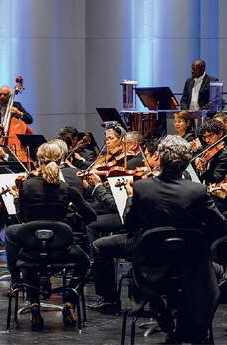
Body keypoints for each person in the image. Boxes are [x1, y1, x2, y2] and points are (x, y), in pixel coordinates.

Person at [90, 135, 226, 343]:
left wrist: (128, 199)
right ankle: (192, 321)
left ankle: (129, 304)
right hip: (189, 263)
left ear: (160, 159)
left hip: (149, 263)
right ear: (186, 162)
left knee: (101, 247)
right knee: (220, 272)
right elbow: (219, 225)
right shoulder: (197, 191)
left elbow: (130, 224)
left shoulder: (143, 188)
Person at [4, 142, 96, 331]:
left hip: (32, 249)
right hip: (61, 250)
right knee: (85, 262)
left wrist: (15, 198)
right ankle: (70, 303)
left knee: (28, 256)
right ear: (61, 161)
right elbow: (91, 216)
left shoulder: (26, 186)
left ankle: (34, 303)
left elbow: (22, 218)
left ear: (39, 160)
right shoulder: (67, 188)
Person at [194, 119, 227, 185]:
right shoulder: (209, 147)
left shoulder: (224, 154)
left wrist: (203, 170)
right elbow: (198, 158)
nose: (207, 140)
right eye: (205, 137)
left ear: (220, 133)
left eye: (210, 136)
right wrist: (197, 160)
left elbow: (216, 178)